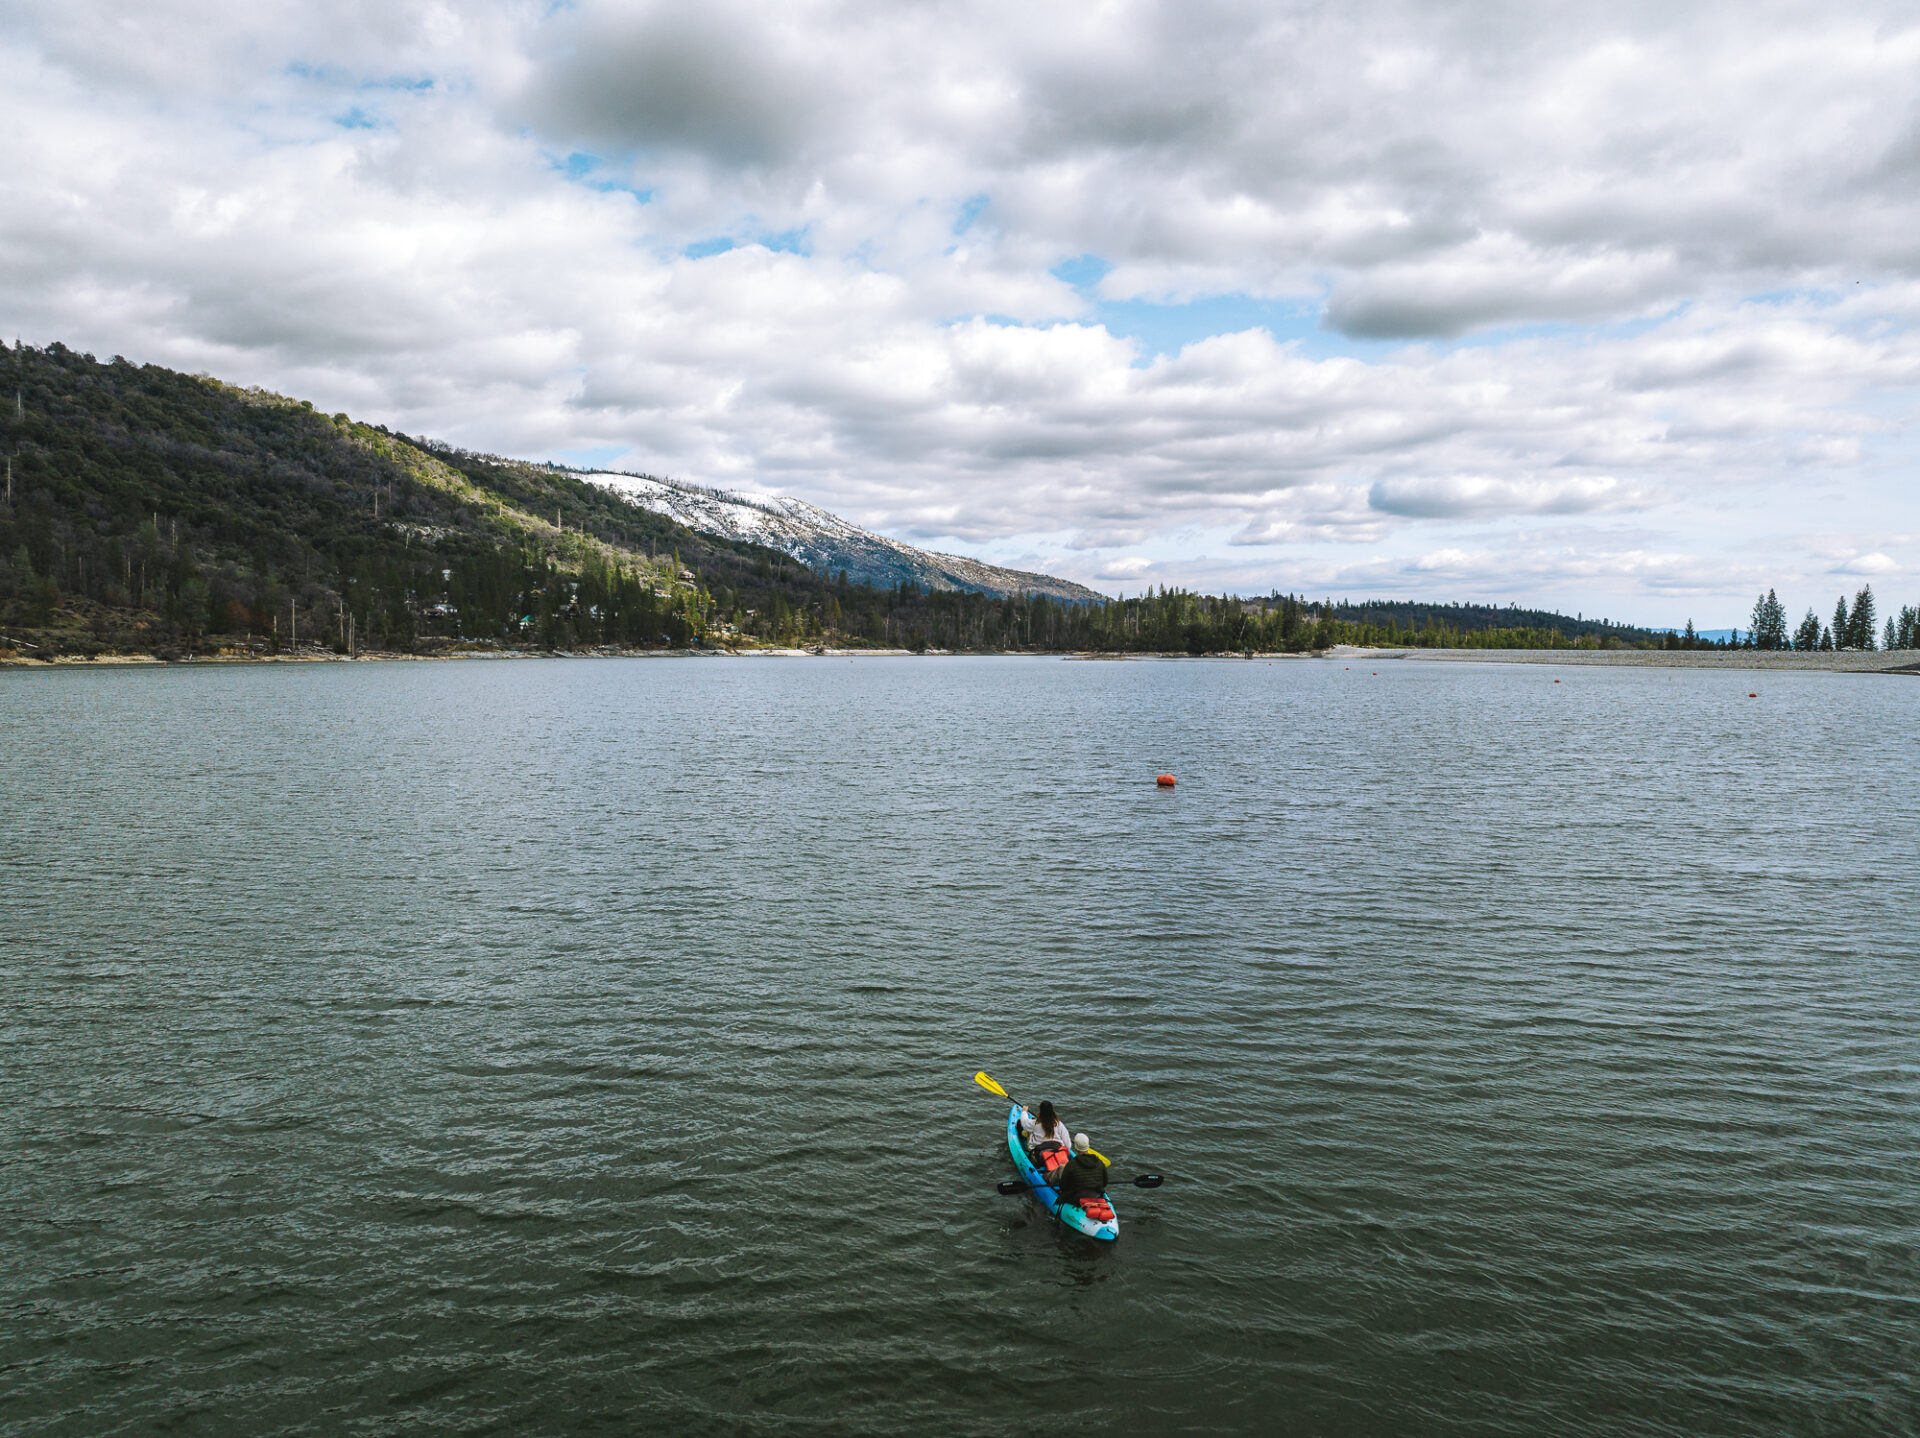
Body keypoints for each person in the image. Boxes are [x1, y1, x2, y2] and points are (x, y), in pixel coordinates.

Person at [1054, 1133, 1110, 1204]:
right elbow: (1104, 1182)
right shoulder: (1099, 1163)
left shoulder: (1071, 1164)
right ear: (1088, 1146)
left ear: (1076, 1147)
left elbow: (1064, 1186)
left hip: (1076, 1198)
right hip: (1096, 1195)